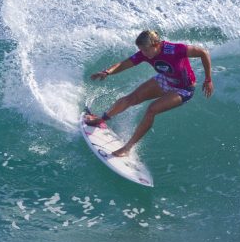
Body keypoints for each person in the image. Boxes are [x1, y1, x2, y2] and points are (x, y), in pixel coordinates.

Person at [85, 30, 214, 157]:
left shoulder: (175, 49)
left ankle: (127, 148)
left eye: (145, 50)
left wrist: (208, 79)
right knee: (131, 98)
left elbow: (203, 52)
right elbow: (124, 64)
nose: (143, 54)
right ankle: (101, 119)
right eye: (141, 50)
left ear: (156, 45)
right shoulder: (145, 53)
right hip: (166, 79)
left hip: (184, 89)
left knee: (152, 109)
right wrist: (107, 72)